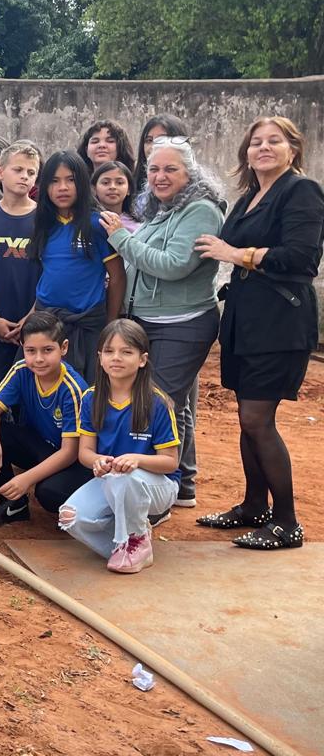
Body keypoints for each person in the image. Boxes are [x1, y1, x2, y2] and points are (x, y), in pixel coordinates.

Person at [194, 116, 323, 550]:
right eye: (255, 142)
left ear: (293, 149)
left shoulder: (301, 190)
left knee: (257, 419)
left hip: (280, 322)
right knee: (246, 417)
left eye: (274, 141)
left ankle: (286, 522)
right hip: (245, 320)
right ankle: (254, 506)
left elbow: (301, 257)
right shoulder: (250, 196)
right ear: (246, 153)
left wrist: (236, 254)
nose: (263, 148)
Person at [99, 136, 222, 509]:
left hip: (183, 323)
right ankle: (182, 484)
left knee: (161, 402)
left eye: (170, 169)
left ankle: (162, 489)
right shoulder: (162, 209)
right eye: (153, 169)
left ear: (190, 173)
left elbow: (173, 265)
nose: (159, 176)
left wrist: (120, 238)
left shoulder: (200, 211)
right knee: (175, 404)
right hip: (149, 320)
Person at [60, 320, 180, 573]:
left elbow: (170, 462)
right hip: (113, 479)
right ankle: (124, 546)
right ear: (100, 357)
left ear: (142, 359)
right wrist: (97, 461)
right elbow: (85, 453)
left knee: (127, 478)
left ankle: (135, 539)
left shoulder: (156, 402)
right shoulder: (91, 397)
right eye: (109, 351)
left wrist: (137, 459)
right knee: (70, 517)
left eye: (126, 352)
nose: (116, 357)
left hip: (157, 486)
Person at [0, 311, 89, 527]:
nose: (38, 359)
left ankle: (91, 511)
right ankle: (13, 504)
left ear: (64, 347)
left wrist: (26, 479)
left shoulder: (73, 388)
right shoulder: (22, 370)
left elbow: (70, 452)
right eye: (30, 351)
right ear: (23, 348)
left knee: (49, 493)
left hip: (69, 460)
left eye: (47, 350)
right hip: (41, 447)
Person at [28, 151, 125, 381]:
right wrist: (30, 315)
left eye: (70, 180)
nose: (62, 188)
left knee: (87, 389)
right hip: (46, 324)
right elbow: (47, 276)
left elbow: (117, 277)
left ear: (82, 182)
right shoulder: (43, 224)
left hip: (87, 325)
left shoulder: (98, 224)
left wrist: (110, 324)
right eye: (54, 181)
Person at [0, 141, 41, 389]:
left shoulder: (44, 220)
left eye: (31, 172)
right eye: (18, 169)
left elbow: (51, 274)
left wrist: (31, 316)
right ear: (0, 172)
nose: (25, 176)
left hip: (35, 328)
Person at [132, 116, 189, 215]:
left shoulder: (196, 203)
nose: (153, 146)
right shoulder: (131, 184)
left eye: (162, 139)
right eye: (149, 140)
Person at [91, 161, 138, 233]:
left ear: (129, 189)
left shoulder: (137, 227)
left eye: (119, 183)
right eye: (105, 183)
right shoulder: (87, 221)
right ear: (94, 189)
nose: (112, 187)